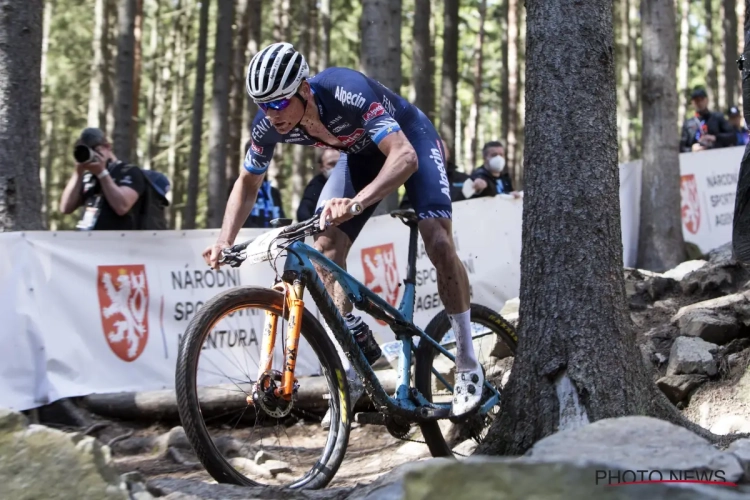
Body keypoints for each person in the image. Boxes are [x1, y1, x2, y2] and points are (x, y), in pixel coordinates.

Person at [202, 42, 483, 421]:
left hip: (408, 139)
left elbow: (404, 156)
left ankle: (467, 362)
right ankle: (353, 337)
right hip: (359, 155)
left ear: (303, 89)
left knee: (438, 240)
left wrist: (357, 203)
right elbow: (249, 181)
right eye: (262, 105)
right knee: (324, 249)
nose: (272, 114)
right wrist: (225, 238)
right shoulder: (270, 122)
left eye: (280, 103)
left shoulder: (343, 89)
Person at [59, 128, 147, 230]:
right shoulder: (89, 177)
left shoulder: (129, 171)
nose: (90, 154)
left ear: (107, 147)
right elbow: (65, 208)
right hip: (89, 240)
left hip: (118, 241)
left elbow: (122, 207)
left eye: (94, 150)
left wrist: (102, 173)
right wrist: (78, 173)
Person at [399, 139, 469, 208]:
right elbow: (406, 206)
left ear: (448, 153)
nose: (438, 152)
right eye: (434, 148)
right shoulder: (419, 180)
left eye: (441, 147)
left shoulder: (463, 179)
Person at [233, 140, 286, 228]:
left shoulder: (273, 193)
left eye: (267, 156)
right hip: (248, 238)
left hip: (273, 239)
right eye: (257, 157)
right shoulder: (238, 188)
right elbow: (235, 219)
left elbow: (282, 220)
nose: (262, 161)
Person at [680, 88, 736, 152]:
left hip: (717, 156)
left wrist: (715, 138)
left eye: (701, 100)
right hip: (695, 159)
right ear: (692, 103)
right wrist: (692, 149)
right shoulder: (688, 124)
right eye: (696, 101)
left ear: (707, 100)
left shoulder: (717, 118)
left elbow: (733, 136)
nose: (700, 103)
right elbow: (682, 147)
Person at [297, 148, 340, 222]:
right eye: (331, 164)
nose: (336, 168)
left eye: (339, 164)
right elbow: (303, 212)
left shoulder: (354, 181)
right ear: (321, 167)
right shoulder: (315, 186)